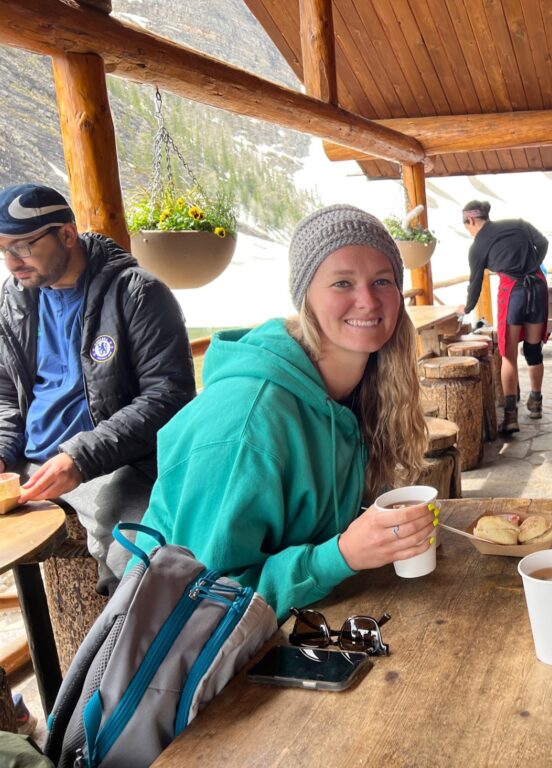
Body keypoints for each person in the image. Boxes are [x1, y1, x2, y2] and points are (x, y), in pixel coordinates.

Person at [139, 205, 435, 620]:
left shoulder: (358, 389)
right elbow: (201, 604)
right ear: (305, 297)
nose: (367, 300)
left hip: (303, 625)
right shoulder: (247, 425)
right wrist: (341, 555)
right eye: (342, 282)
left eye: (382, 281)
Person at [0, 183, 195, 594]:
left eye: (22, 246)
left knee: (140, 561)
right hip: (28, 463)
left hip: (110, 461)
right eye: (2, 249)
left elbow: (169, 397)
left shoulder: (138, 294)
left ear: (67, 235)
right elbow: (4, 393)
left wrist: (81, 456)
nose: (11, 262)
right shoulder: (15, 303)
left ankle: (127, 651)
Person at [458, 200, 548, 435]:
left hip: (512, 293)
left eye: (466, 225)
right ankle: (536, 403)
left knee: (508, 355)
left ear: (471, 220)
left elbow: (475, 283)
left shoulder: (477, 247)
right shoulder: (518, 224)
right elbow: (543, 243)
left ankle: (510, 418)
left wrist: (466, 309)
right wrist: (533, 265)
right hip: (537, 287)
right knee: (533, 348)